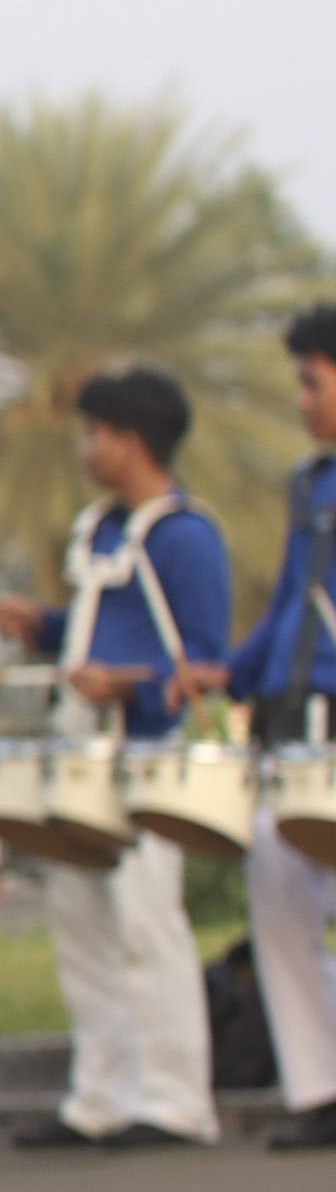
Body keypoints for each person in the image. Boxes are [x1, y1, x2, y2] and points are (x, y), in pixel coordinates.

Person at [0, 368, 228, 1145]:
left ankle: (176, 1101)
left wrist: (130, 683)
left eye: (97, 434)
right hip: (80, 746)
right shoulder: (100, 531)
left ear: (132, 441)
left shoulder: (186, 537)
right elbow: (95, 625)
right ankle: (102, 1098)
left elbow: (205, 660)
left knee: (148, 924)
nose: (87, 449)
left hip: (146, 751)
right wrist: (44, 628)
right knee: (81, 923)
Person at [217, 305, 336, 1149]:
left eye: (311, 381)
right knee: (279, 878)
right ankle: (322, 1085)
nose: (301, 399)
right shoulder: (310, 484)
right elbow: (293, 600)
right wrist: (230, 670)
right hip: (301, 724)